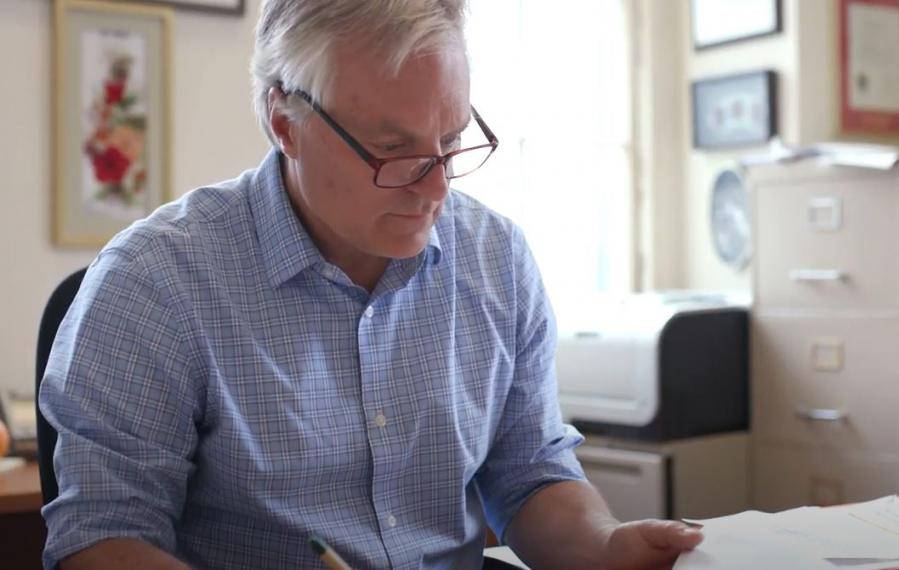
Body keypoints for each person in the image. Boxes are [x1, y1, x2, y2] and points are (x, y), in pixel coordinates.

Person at [39, 1, 703, 568]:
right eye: (395, 150)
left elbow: (528, 474)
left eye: (451, 141)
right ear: (283, 121)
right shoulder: (156, 283)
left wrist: (606, 545)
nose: (438, 186)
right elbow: (103, 539)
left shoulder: (495, 258)